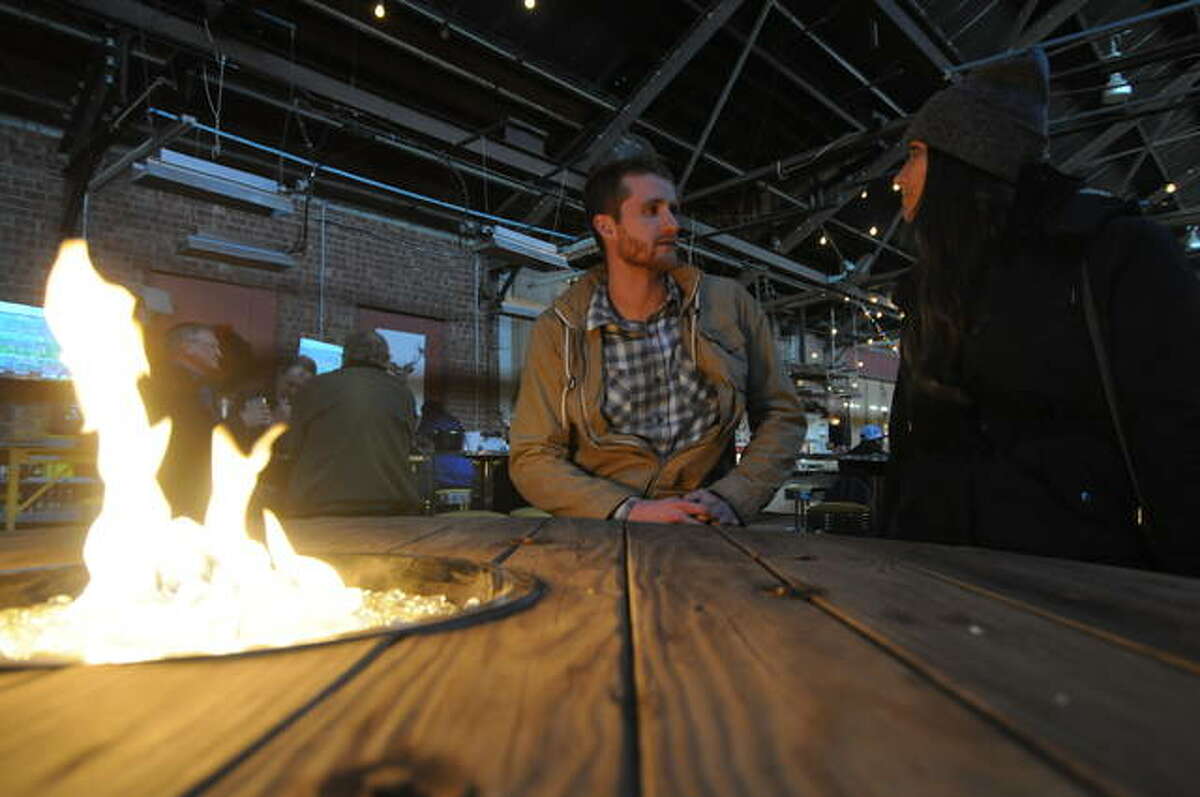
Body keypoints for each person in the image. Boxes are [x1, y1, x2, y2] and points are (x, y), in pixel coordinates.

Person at [885, 47, 1200, 575]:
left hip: (1085, 595)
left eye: (914, 152)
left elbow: (1182, 443)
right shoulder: (930, 288)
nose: (899, 177)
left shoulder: (1111, 253)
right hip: (931, 589)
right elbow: (911, 452)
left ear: (965, 159)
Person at [509, 136, 805, 524]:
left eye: (673, 210)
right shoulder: (560, 329)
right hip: (603, 534)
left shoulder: (728, 305)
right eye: (652, 211)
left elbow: (782, 413)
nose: (672, 225)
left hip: (706, 527)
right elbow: (533, 456)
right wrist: (629, 510)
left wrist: (733, 497)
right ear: (607, 227)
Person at [280, 330, 420, 516]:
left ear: (345, 357)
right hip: (390, 507)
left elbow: (290, 449)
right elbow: (408, 445)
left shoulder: (315, 387)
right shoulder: (404, 395)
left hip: (319, 506)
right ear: (386, 360)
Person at [143, 322, 222, 521]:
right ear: (187, 347)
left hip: (189, 485)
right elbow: (193, 436)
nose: (218, 353)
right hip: (174, 486)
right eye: (211, 346)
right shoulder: (167, 383)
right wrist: (240, 423)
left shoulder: (202, 384)